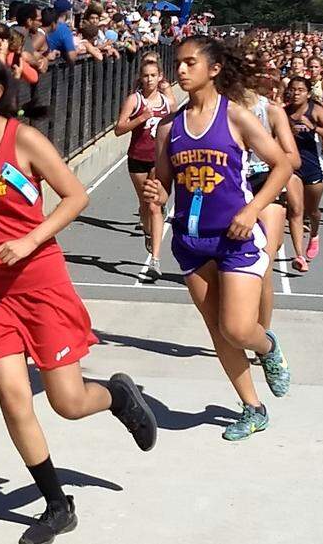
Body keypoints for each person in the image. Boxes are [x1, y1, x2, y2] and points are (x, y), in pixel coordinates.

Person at [0, 50, 157, 544]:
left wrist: (31, 239)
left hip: (41, 282)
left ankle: (117, 395)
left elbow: (77, 196)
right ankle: (57, 504)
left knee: (68, 403)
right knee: (13, 399)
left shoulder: (24, 140)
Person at [144, 35, 292, 441]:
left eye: (191, 63)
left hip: (235, 238)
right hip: (191, 240)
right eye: (179, 63)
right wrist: (157, 192)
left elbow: (281, 165)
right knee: (217, 330)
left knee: (237, 327)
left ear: (214, 69)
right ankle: (253, 407)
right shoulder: (169, 127)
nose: (182, 70)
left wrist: (251, 210)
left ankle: (267, 346)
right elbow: (163, 181)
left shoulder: (238, 117)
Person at [242, 74, 299, 346]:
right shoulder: (224, 109)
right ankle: (239, 325)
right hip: (233, 186)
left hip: (266, 185)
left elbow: (293, 158)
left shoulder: (271, 111)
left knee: (264, 266)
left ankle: (263, 337)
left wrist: (264, 156)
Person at [114, 59, 175, 280]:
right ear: (141, 77)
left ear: (160, 77)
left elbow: (175, 127)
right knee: (144, 204)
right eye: (145, 76)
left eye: (153, 75)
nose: (149, 80)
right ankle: (148, 231)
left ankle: (155, 260)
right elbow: (119, 129)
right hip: (138, 158)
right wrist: (141, 118)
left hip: (159, 161)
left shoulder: (168, 103)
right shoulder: (135, 99)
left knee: (154, 205)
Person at [284, 76, 323, 272]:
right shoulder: (283, 112)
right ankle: (299, 255)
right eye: (293, 89)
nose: (296, 93)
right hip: (292, 169)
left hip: (313, 167)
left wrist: (313, 127)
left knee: (312, 211)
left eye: (300, 90)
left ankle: (314, 233)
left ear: (308, 93)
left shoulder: (316, 111)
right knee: (295, 210)